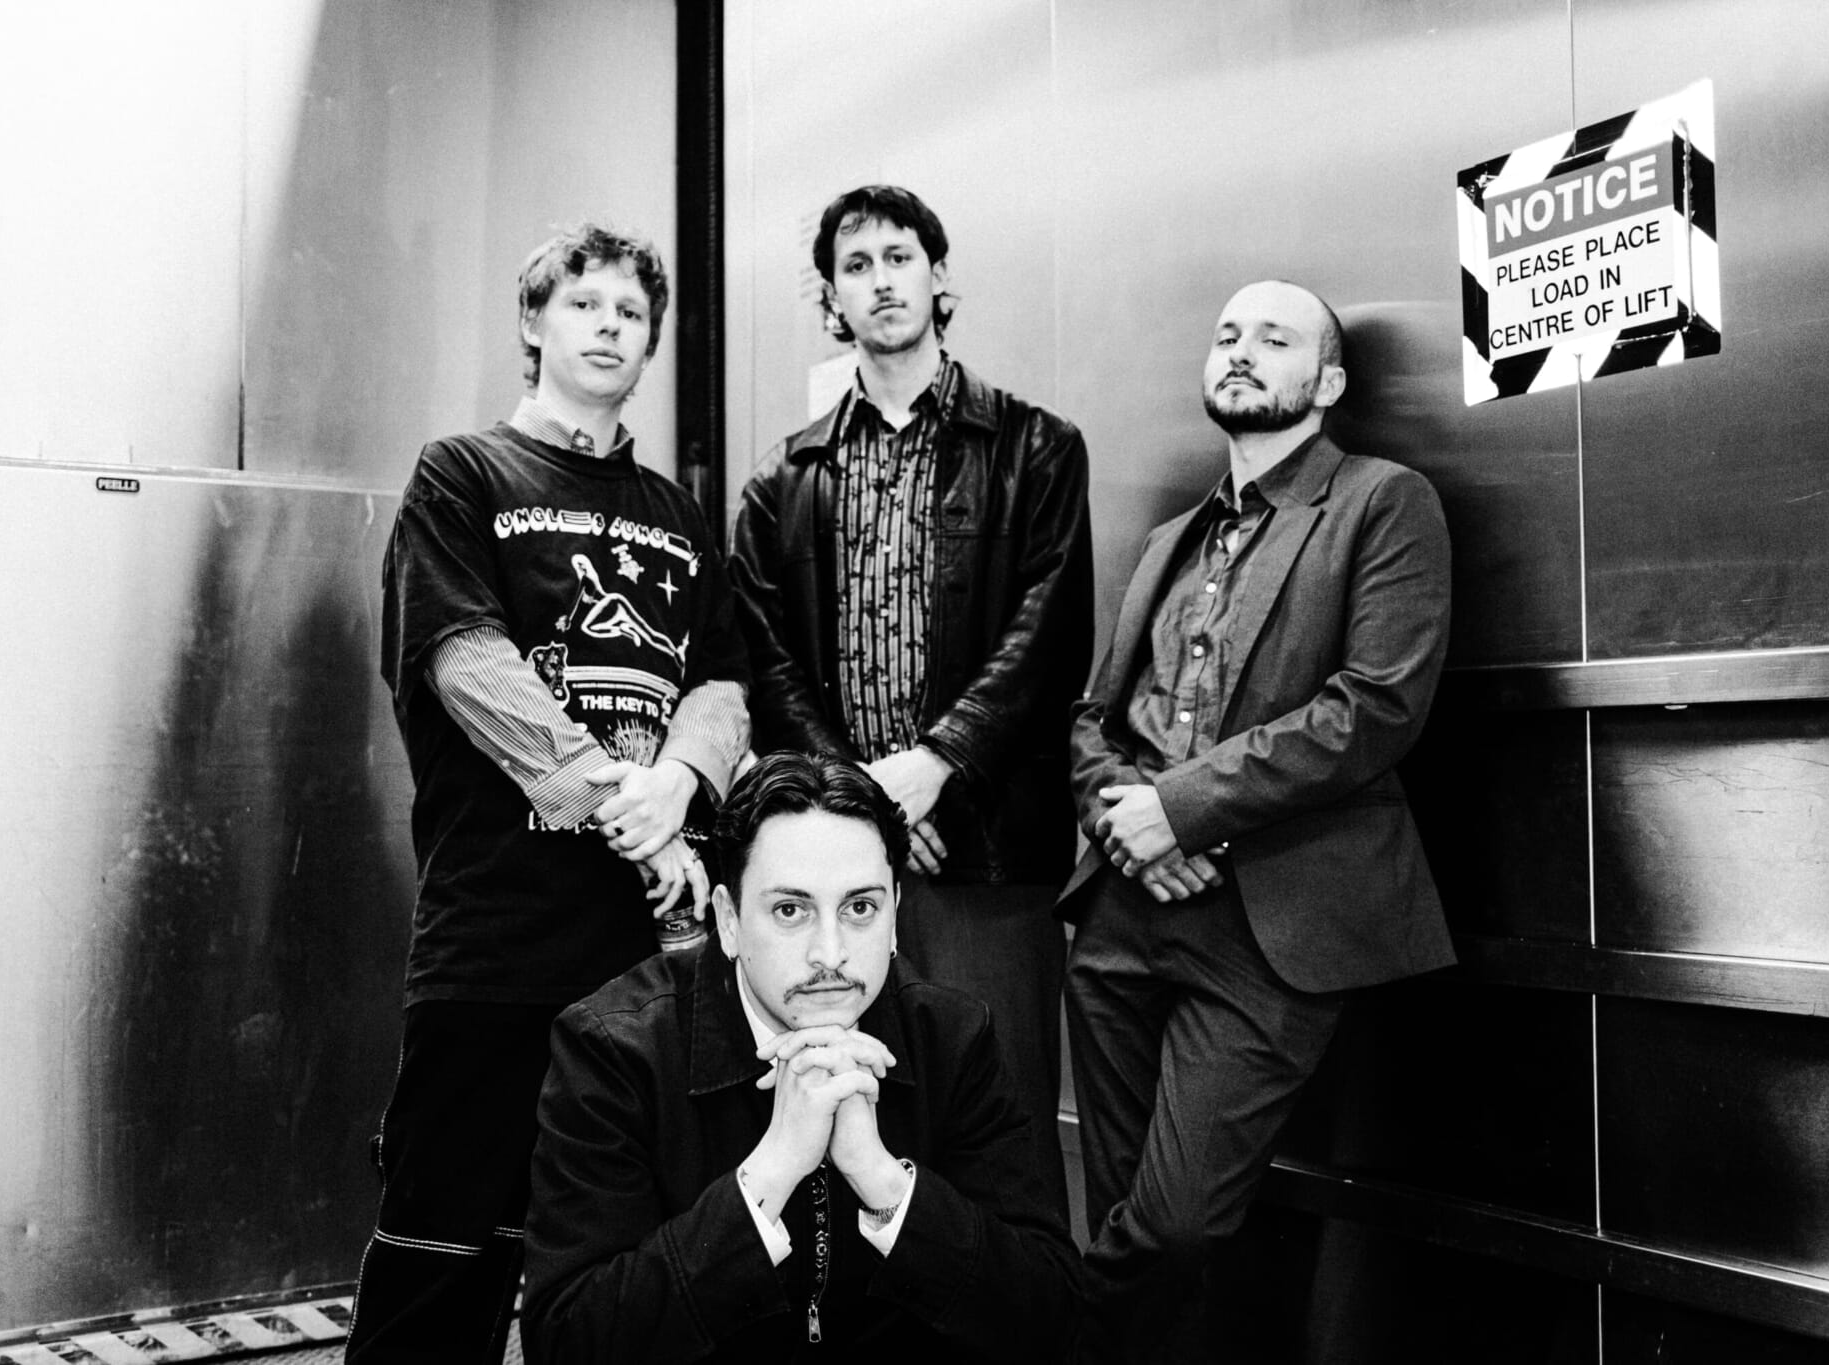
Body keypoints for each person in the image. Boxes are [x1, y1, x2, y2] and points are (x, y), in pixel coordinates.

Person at [348, 222, 750, 1363]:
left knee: (619, 1263)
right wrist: (621, 799)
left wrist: (680, 781)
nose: (609, 327)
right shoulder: (462, 474)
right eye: (583, 304)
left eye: (631, 313)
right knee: (442, 1255)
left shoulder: (679, 516)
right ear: (533, 322)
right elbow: (462, 658)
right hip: (495, 942)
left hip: (645, 965)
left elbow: (722, 682)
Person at [1062, 279, 1454, 1362]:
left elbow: (1374, 707)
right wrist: (1127, 819)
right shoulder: (1166, 540)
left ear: (1326, 383)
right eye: (1227, 334)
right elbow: (1094, 717)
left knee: (1172, 1226)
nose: (1240, 350)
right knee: (1122, 1219)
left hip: (1268, 925)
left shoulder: (1382, 501)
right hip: (1119, 917)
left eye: (1275, 339)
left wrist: (1180, 811)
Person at [728, 186, 1092, 1201]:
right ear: (830, 299)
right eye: (856, 265)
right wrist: (863, 804)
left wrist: (936, 771)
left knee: (1001, 1134)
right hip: (835, 875)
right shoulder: (781, 480)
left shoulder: (1037, 448)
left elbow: (1047, 639)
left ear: (939, 278)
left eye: (899, 257)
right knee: (843, 1124)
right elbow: (767, 665)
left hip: (985, 859)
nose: (880, 280)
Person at [521, 751, 1080, 1363]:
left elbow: (1051, 1314)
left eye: (860, 908)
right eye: (791, 910)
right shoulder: (616, 1048)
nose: (830, 955)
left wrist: (883, 1180)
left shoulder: (951, 1035)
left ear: (895, 915)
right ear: (729, 921)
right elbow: (568, 1339)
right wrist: (772, 1170)